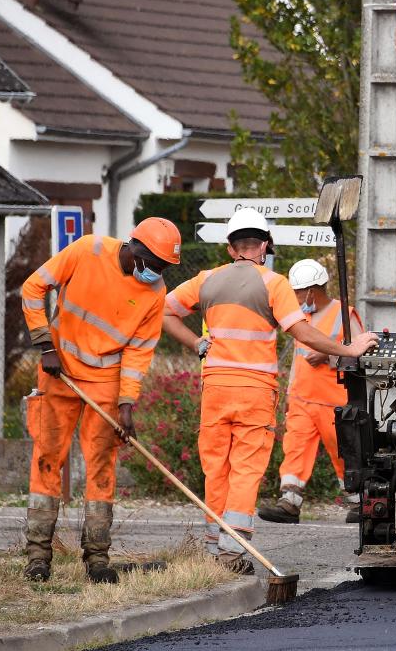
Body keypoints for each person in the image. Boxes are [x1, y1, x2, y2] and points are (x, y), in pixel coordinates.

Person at [162, 208, 378, 574]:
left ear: (231, 248)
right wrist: (348, 349)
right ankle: (233, 553)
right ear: (264, 246)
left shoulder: (206, 279)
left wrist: (197, 343)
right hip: (254, 393)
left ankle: (214, 547)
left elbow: (164, 312)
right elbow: (302, 331)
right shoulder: (273, 283)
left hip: (215, 389)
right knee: (246, 470)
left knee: (216, 469)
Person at [19, 217, 182, 584]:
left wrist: (126, 405)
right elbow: (32, 288)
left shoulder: (154, 294)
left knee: (102, 466)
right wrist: (45, 346)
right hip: (58, 371)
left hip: (105, 382)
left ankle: (97, 558)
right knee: (48, 459)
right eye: (154, 263)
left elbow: (139, 353)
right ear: (135, 247)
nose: (156, 273)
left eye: (163, 267)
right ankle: (37, 557)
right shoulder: (87, 250)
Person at [258, 259, 367, 526]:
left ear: (311, 290)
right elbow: (297, 359)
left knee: (344, 452)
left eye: (297, 292)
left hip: (334, 402)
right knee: (294, 449)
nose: (294, 298)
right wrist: (289, 393)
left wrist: (328, 356)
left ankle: (358, 502)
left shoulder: (345, 314)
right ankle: (289, 502)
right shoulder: (299, 318)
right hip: (302, 399)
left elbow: (362, 356)